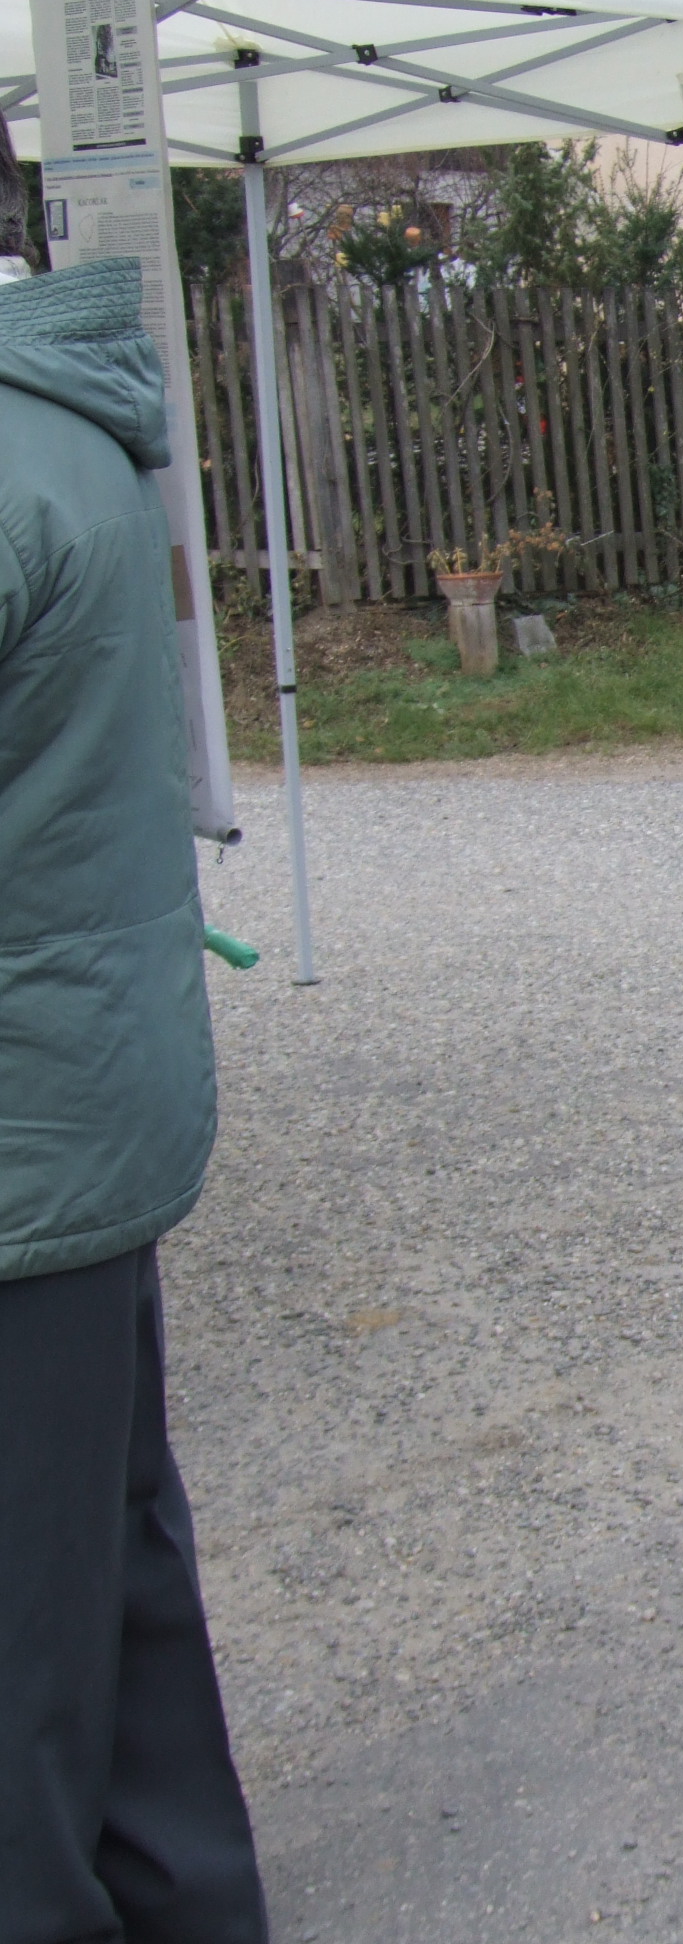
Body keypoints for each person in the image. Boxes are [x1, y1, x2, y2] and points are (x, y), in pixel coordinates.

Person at [0, 132, 271, 1944]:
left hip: (25, 1132)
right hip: (77, 1101)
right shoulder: (56, 422)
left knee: (26, 1635)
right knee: (104, 1570)